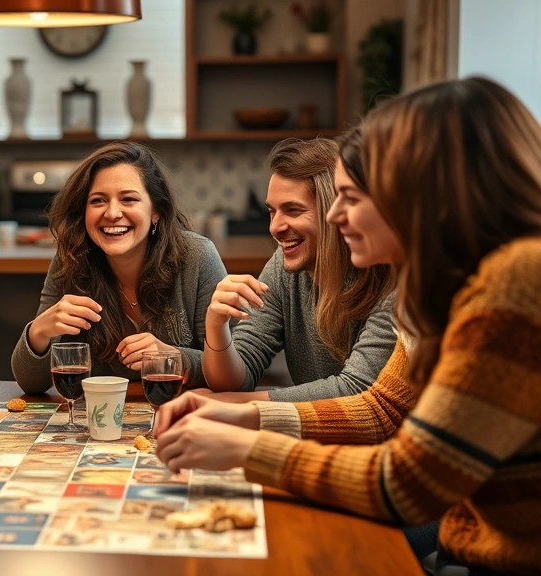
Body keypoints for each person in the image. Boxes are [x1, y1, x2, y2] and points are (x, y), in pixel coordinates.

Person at [154, 77, 541, 575]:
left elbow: (404, 486)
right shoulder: (448, 287)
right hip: (466, 547)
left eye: (355, 195)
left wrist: (247, 447)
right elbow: (380, 411)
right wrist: (243, 418)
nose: (336, 214)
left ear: (424, 191)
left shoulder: (516, 282)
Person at [11, 142, 225, 393]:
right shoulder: (71, 259)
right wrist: (39, 331)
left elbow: (236, 370)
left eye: (129, 199)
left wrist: (174, 357)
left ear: (156, 210)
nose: (112, 213)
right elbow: (30, 384)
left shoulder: (197, 257)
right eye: (98, 201)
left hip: (181, 418)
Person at [200, 137, 395, 402]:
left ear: (334, 212)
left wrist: (235, 405)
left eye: (293, 210)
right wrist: (216, 324)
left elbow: (357, 390)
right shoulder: (283, 265)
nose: (274, 227)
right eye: (272, 211)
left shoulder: (388, 277)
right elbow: (237, 377)